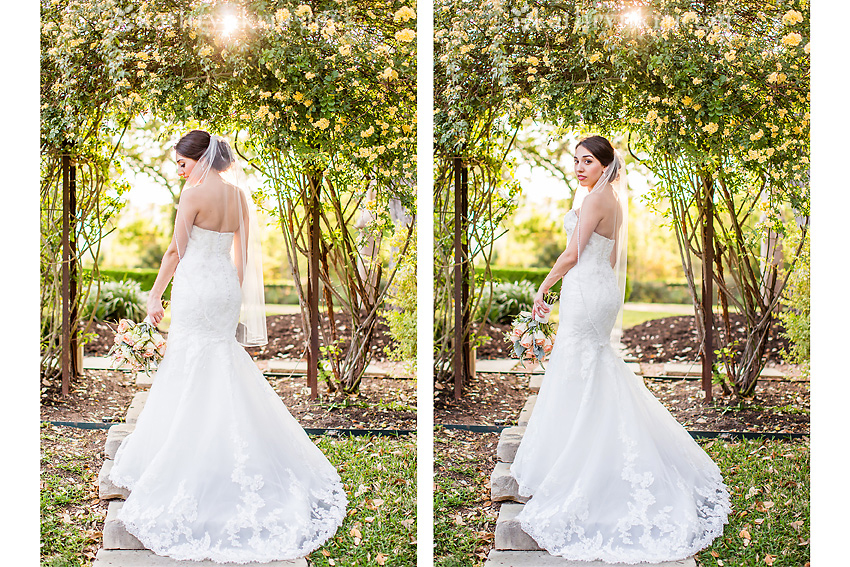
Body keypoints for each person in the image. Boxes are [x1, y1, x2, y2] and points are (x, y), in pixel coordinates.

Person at [109, 130, 347, 563]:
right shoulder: (239, 197)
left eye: (182, 162)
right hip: (223, 287)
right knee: (220, 357)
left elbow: (174, 253)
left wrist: (154, 295)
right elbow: (242, 254)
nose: (179, 170)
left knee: (190, 361)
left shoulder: (192, 193)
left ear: (200, 159)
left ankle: (185, 447)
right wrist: (231, 291)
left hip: (196, 286)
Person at [510, 135, 730, 562]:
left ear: (605, 164)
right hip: (598, 290)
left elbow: (573, 253)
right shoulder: (612, 198)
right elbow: (606, 259)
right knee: (591, 367)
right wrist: (587, 285)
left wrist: (544, 285)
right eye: (576, 161)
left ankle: (581, 459)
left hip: (587, 293)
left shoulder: (595, 199)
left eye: (587, 161)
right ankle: (582, 446)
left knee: (583, 367)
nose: (579, 167)